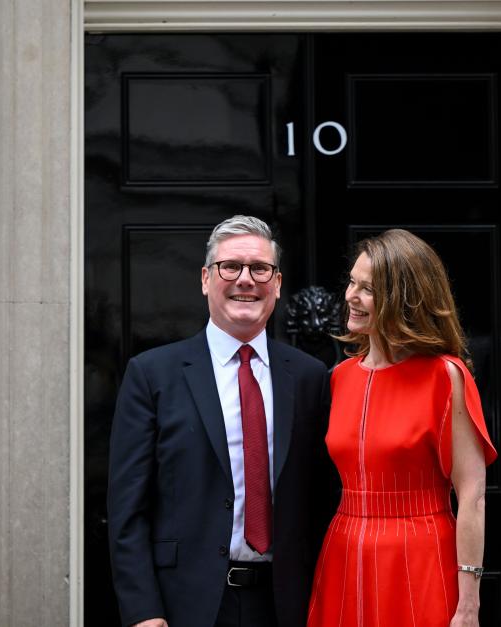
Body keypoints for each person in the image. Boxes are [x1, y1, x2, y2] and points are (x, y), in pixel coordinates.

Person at [108, 215, 336, 627]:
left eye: (260, 268)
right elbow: (128, 508)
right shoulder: (152, 374)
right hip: (187, 606)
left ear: (278, 283)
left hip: (288, 604)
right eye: (230, 266)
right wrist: (144, 612)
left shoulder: (309, 377)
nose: (246, 279)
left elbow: (323, 499)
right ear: (205, 279)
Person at [306, 229, 497, 627]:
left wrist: (469, 603)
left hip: (420, 554)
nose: (350, 297)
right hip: (344, 551)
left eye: (368, 289)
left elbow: (473, 496)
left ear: (404, 300)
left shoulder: (445, 377)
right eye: (352, 282)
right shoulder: (340, 377)